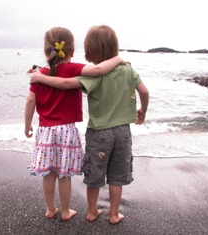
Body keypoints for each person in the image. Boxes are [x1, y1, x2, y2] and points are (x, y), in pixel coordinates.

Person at [30, 25, 149, 225]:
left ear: (91, 51)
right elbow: (144, 92)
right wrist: (143, 110)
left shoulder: (95, 75)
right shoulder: (129, 69)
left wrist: (41, 78)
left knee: (95, 173)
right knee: (117, 176)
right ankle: (113, 214)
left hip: (99, 134)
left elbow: (66, 84)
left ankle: (92, 212)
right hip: (123, 133)